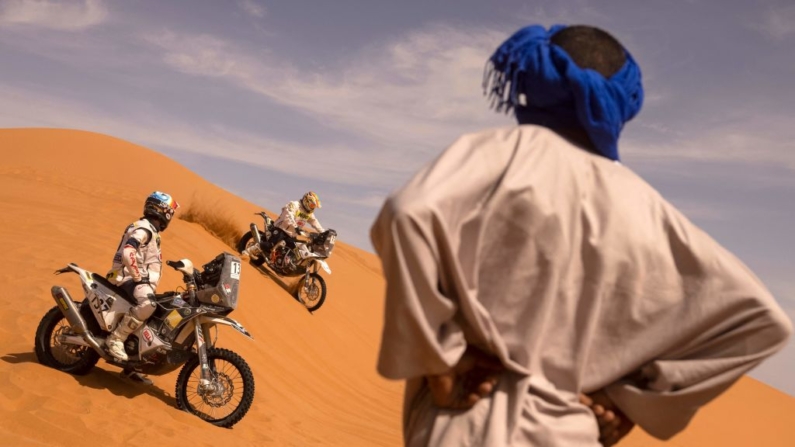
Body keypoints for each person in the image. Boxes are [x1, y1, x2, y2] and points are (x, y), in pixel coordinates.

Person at [370, 24, 792, 446]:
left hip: (467, 422)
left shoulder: (495, 156)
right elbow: (764, 321)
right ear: (625, 104)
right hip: (570, 432)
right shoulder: (649, 211)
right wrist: (631, 403)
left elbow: (407, 213)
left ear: (533, 79)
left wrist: (440, 362)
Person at [105, 191, 180, 367]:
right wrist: (137, 276)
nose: (170, 217)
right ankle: (116, 338)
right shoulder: (144, 229)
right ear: (162, 211)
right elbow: (128, 252)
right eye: (170, 212)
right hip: (127, 280)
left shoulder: (149, 229)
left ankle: (132, 365)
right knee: (149, 305)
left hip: (134, 281)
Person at [243, 191, 324, 265]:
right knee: (270, 245)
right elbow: (288, 215)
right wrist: (295, 226)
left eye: (314, 206)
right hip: (281, 228)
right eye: (312, 205)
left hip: (291, 234)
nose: (313, 208)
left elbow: (314, 222)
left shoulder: (309, 213)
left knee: (294, 252)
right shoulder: (294, 204)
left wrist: (324, 233)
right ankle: (247, 252)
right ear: (307, 201)